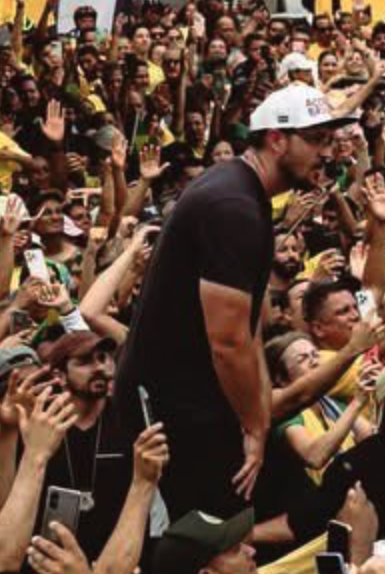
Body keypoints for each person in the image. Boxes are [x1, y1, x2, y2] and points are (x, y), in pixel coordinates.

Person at [120, 81, 348, 515]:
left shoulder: (243, 194)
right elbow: (228, 341)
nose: (327, 152)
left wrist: (257, 413)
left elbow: (247, 328)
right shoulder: (233, 206)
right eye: (317, 139)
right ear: (277, 140)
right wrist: (254, 426)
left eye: (330, 139)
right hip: (175, 411)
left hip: (193, 401)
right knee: (213, 535)